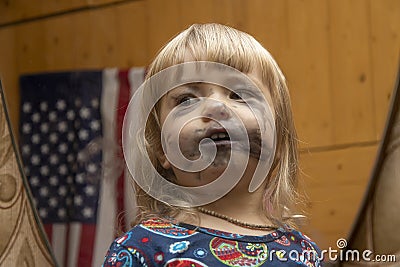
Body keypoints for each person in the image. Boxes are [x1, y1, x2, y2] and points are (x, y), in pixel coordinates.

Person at [102, 23, 321, 267]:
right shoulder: (140, 250)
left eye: (239, 95)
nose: (217, 107)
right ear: (162, 149)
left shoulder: (306, 254)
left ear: (278, 141)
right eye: (186, 100)